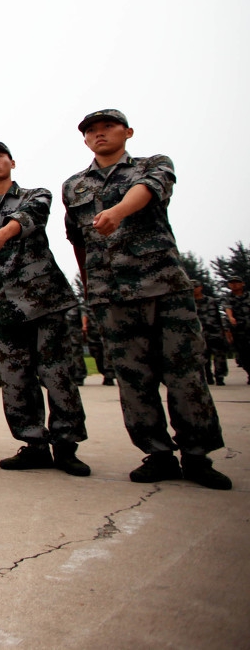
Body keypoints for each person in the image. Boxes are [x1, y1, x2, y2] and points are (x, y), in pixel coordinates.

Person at [63, 109, 228, 489]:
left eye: (108, 127)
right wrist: (89, 286)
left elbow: (150, 190)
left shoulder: (152, 164)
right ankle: (157, 454)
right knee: (133, 379)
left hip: (163, 286)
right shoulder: (75, 186)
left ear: (128, 132)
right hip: (110, 295)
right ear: (84, 139)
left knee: (184, 373)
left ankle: (198, 456)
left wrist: (117, 211)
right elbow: (78, 240)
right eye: (91, 130)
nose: (99, 134)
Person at [0, 142, 90, 476]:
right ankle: (34, 445)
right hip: (2, 306)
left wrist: (3, 234)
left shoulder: (36, 195)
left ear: (12, 163)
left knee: (57, 375)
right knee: (15, 380)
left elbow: (29, 219)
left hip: (44, 300)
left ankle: (66, 446)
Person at [192, 281, 228, 386]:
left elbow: (219, 316)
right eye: (191, 287)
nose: (194, 289)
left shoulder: (211, 301)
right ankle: (208, 376)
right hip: (198, 334)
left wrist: (224, 330)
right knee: (203, 357)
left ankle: (220, 377)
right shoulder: (187, 303)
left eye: (196, 287)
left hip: (215, 333)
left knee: (219, 356)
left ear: (201, 287)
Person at [223, 277, 249, 373]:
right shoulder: (227, 297)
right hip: (238, 329)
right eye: (232, 283)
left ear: (242, 284)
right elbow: (228, 308)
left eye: (237, 282)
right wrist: (231, 317)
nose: (234, 285)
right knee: (243, 354)